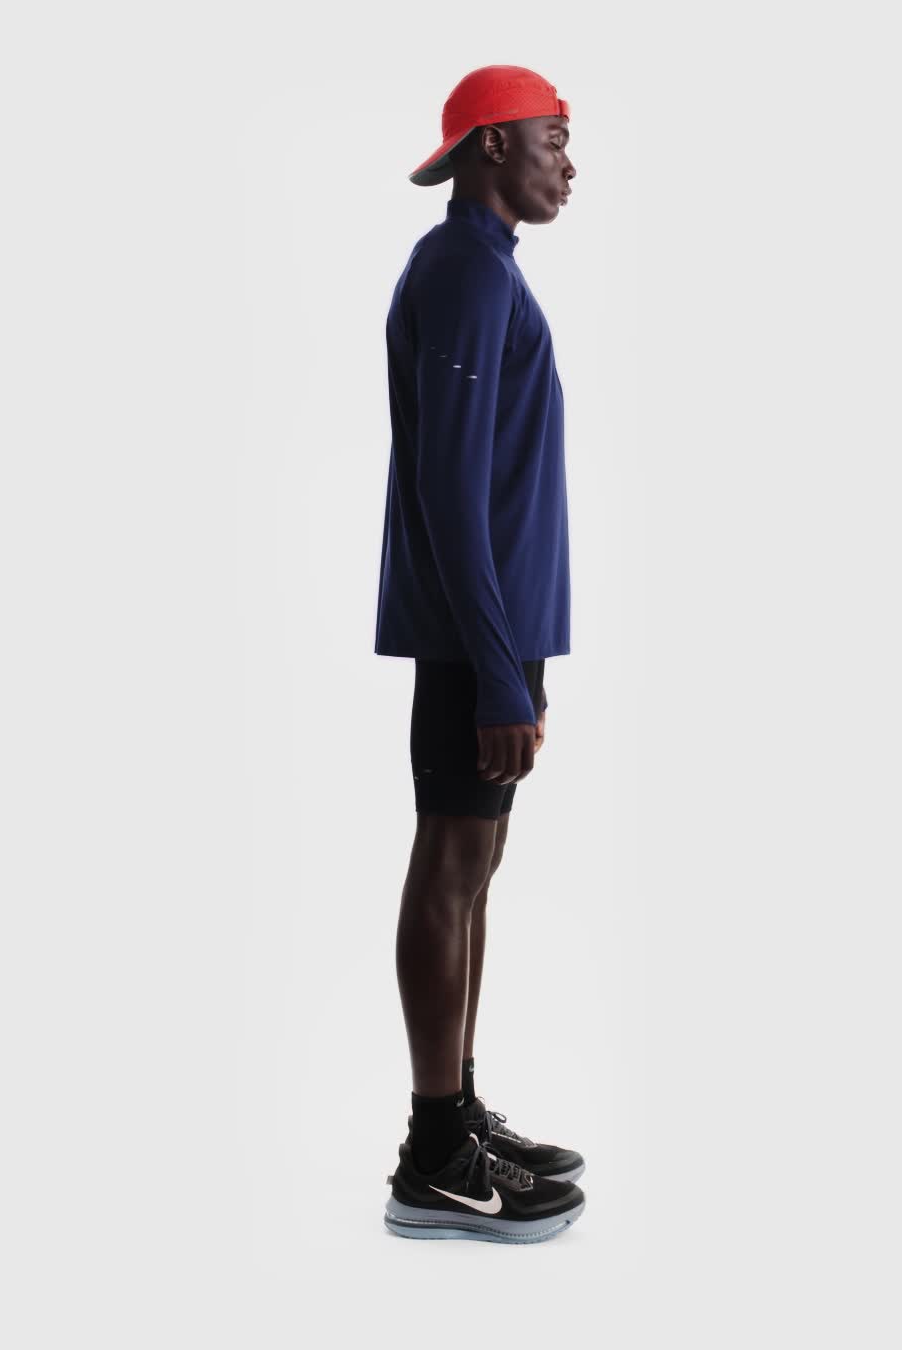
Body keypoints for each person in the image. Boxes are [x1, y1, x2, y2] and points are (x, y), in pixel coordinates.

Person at [374, 65, 584, 1244]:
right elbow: (449, 488)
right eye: (555, 139)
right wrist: (499, 669)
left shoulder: (487, 267)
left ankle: (457, 1113)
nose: (569, 164)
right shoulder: (461, 268)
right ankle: (433, 1152)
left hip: (497, 629)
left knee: (477, 860)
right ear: (494, 144)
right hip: (475, 634)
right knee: (452, 862)